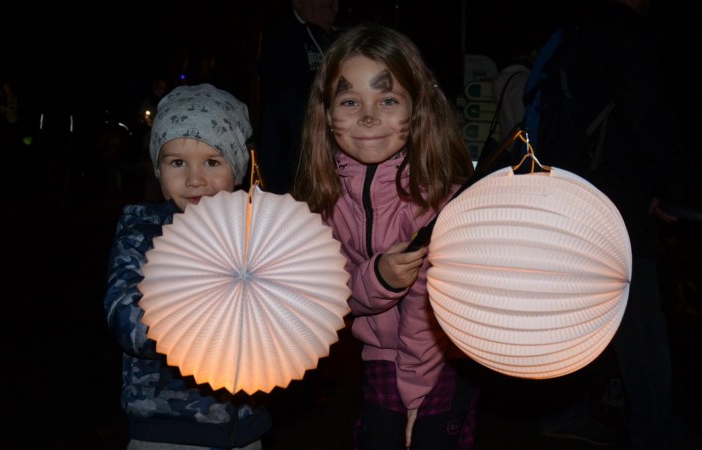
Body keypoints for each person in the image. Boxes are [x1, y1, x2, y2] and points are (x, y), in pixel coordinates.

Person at [293, 23, 479, 450]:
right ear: (326, 114)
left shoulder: (436, 199)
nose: (369, 116)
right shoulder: (323, 199)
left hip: (444, 355)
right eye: (350, 100)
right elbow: (332, 296)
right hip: (378, 351)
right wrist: (379, 278)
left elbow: (425, 313)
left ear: (417, 111)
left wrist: (414, 397)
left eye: (388, 99)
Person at [523, 1, 688, 449]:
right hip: (618, 204)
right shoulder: (631, 37)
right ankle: (654, 434)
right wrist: (669, 189)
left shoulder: (574, 33)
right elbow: (648, 120)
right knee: (641, 327)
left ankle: (563, 412)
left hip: (568, 194)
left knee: (579, 314)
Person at [103, 83, 272, 450]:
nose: (195, 179)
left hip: (243, 428)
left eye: (212, 162)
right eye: (177, 162)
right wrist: (200, 306)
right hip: (164, 430)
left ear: (238, 169)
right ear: (158, 170)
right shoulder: (142, 232)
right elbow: (125, 319)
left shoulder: (259, 236)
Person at [257, 0, 340, 194]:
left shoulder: (346, 38)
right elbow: (287, 103)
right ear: (298, 2)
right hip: (296, 164)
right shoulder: (283, 38)